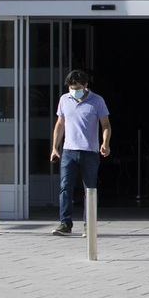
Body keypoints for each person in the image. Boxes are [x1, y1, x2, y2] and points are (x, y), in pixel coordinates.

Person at [49, 69, 110, 235]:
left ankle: (88, 225)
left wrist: (105, 143)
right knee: (65, 188)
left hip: (89, 151)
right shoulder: (64, 100)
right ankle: (65, 224)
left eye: (76, 87)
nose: (73, 90)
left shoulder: (97, 101)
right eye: (71, 87)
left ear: (85, 85)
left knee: (89, 189)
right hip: (69, 151)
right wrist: (55, 147)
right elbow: (60, 124)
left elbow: (105, 124)